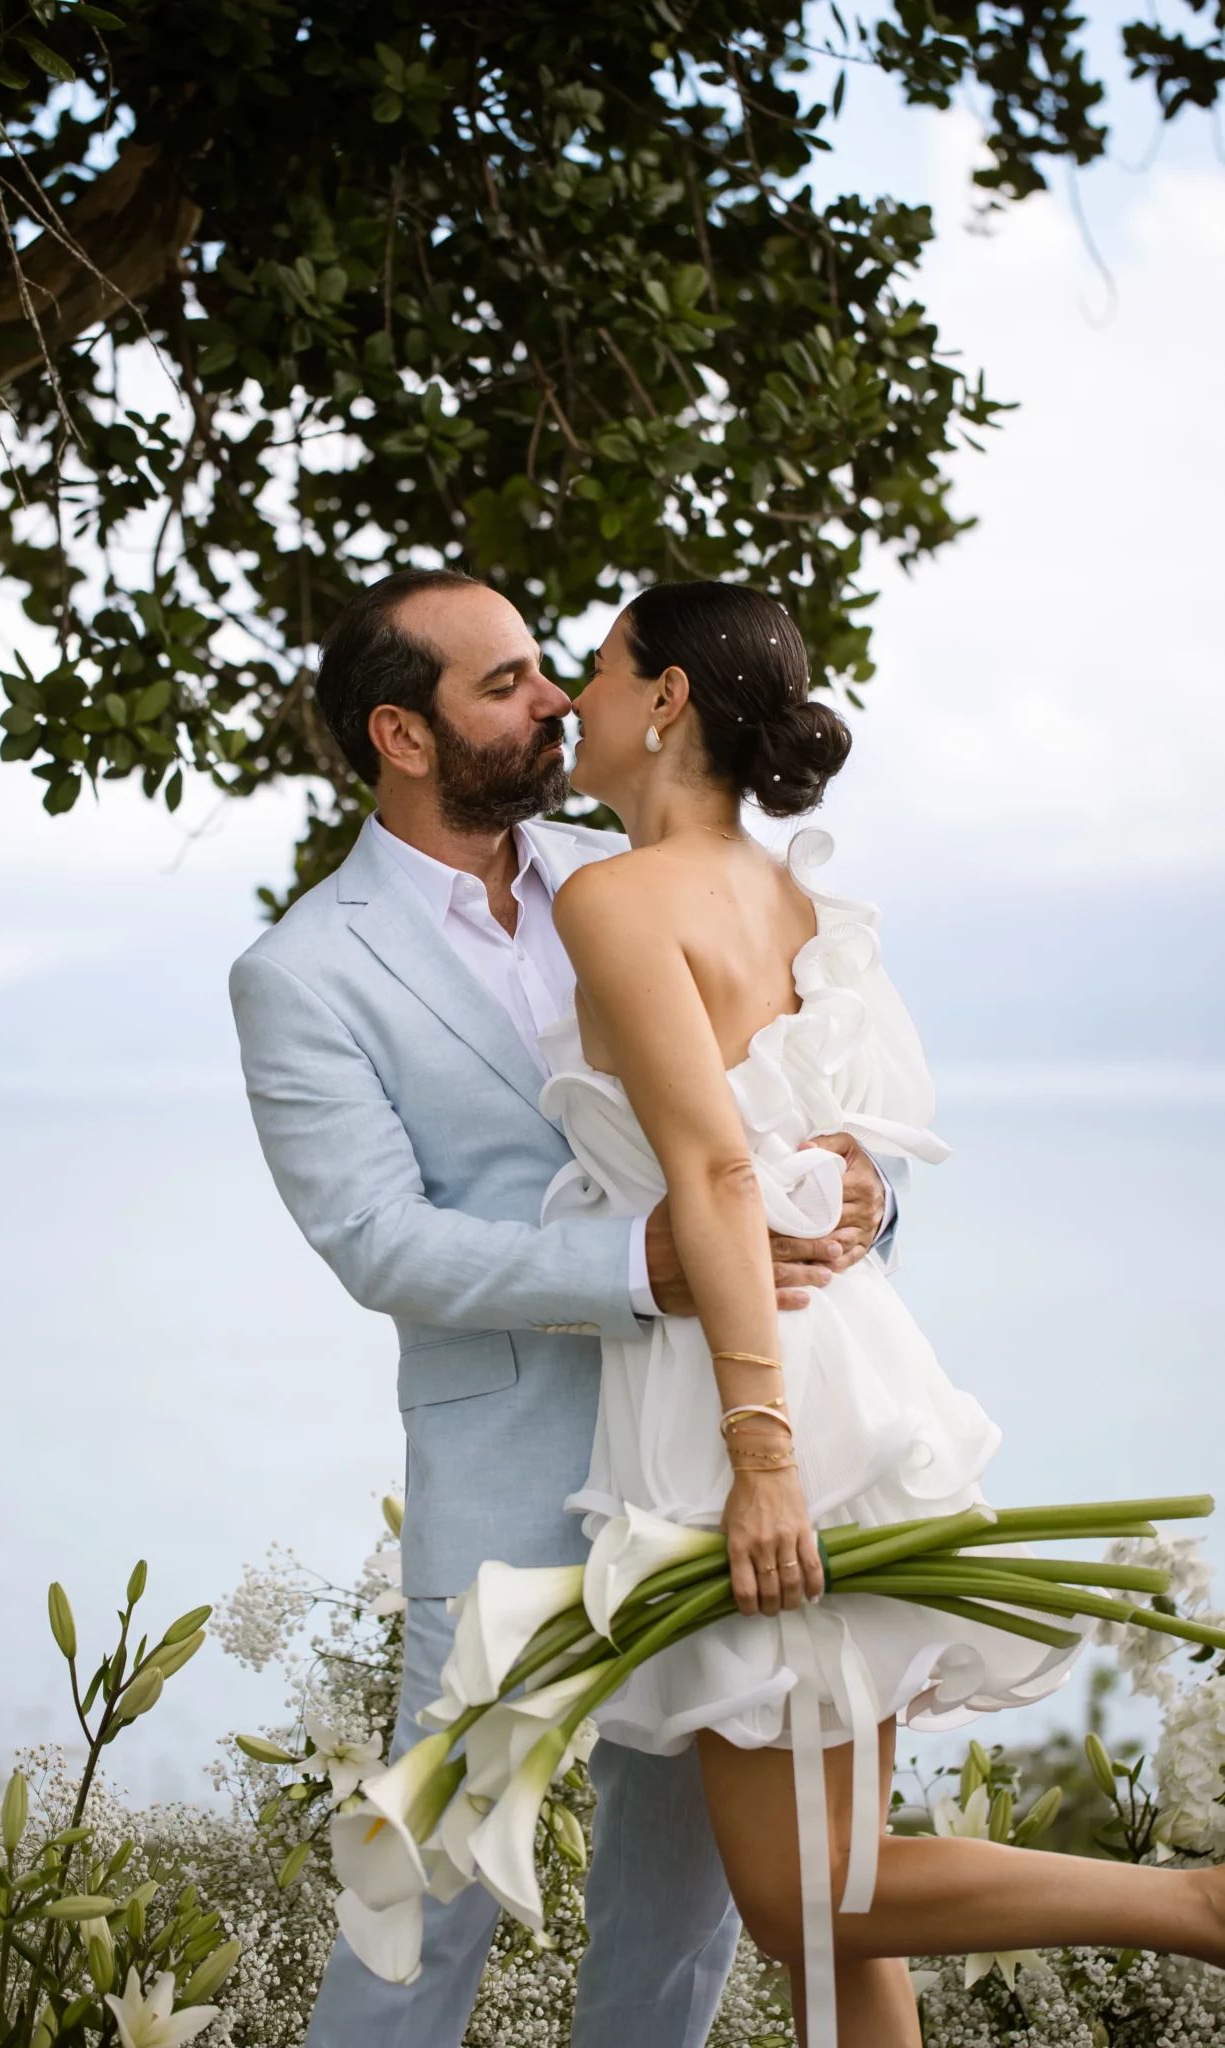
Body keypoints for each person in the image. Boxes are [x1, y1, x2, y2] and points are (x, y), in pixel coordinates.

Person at [530, 577, 1225, 2048]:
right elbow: (846, 1153)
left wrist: (761, 1452)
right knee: (836, 1909)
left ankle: (1198, 1910)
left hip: (750, 1394)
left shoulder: (609, 897)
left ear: (665, 702)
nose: (570, 698)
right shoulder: (796, 901)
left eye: (594, 669)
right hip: (853, 1361)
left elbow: (718, 1168)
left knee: (805, 1900)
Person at [228, 567, 903, 2048]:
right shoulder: (300, 973)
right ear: (403, 737)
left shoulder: (643, 865)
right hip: (511, 1486)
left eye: (552, 668)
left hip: (709, 1464)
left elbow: (798, 1113)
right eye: (505, 682)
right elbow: (379, 1241)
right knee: (426, 1897)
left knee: (681, 1914)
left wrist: (861, 1192)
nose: (549, 700)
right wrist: (635, 1268)